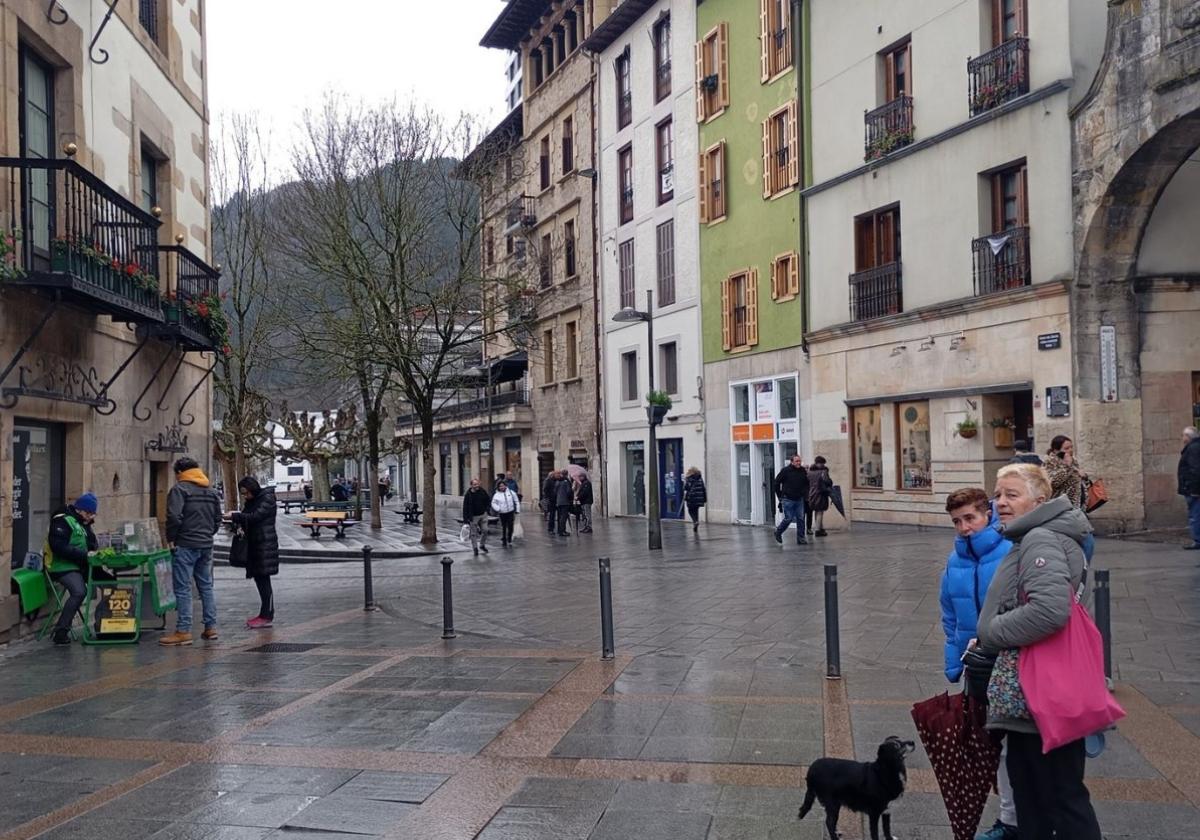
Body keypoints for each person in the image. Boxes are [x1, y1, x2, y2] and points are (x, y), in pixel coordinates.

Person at [976, 463, 1101, 839]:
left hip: (1039, 694)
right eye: (997, 495)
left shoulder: (1040, 539)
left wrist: (991, 633)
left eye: (1012, 495)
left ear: (1040, 500)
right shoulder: (1038, 535)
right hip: (1045, 691)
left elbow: (1050, 611)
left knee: (1049, 797)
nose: (1000, 503)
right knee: (1053, 793)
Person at [937, 488, 1016, 840]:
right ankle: (1009, 820)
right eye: (957, 521)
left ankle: (1021, 818)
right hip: (977, 668)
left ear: (988, 515)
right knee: (990, 746)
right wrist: (954, 660)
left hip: (1011, 663)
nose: (964, 527)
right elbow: (950, 613)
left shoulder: (1009, 552)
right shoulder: (955, 561)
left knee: (1015, 745)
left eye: (970, 518)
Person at [161, 457, 223, 646]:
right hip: (206, 544)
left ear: (179, 472)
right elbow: (217, 518)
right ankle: (210, 627)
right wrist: (207, 534)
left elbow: (174, 516)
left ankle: (183, 630)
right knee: (206, 586)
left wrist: (172, 538)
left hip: (186, 544)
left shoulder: (180, 490)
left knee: (183, 588)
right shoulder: (211, 491)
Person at [43, 493, 104, 645]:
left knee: (109, 583)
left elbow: (90, 543)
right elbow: (58, 547)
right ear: (80, 510)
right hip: (61, 566)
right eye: (89, 513)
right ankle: (61, 631)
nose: (91, 516)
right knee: (79, 591)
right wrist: (84, 554)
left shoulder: (83, 523)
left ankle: (103, 624)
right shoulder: (61, 520)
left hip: (81, 564)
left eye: (92, 514)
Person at [229, 477, 280, 629]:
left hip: (264, 544)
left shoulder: (267, 499)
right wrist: (235, 520)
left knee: (264, 580)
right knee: (260, 579)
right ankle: (264, 613)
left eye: (246, 492)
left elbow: (255, 517)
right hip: (255, 544)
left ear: (253, 489)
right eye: (243, 494)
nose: (245, 496)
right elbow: (246, 517)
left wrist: (235, 515)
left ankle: (267, 614)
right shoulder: (253, 501)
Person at [773, 454, 810, 546]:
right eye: (797, 461)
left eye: (799, 461)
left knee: (801, 518)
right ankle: (778, 532)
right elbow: (777, 482)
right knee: (788, 518)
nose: (798, 463)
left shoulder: (802, 471)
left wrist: (805, 493)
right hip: (788, 498)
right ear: (792, 462)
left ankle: (801, 538)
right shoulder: (785, 471)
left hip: (799, 498)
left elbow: (806, 483)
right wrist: (780, 496)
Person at [1044, 435, 1087, 509]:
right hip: (1062, 505)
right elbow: (1053, 483)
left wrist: (1084, 476)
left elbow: (1077, 477)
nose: (1070, 450)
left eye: (1071, 447)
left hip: (1077, 503)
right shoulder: (1050, 461)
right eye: (1066, 448)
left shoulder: (1073, 460)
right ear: (1056, 450)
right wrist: (1067, 466)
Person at [1178, 427, 1200, 551]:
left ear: (1189, 437)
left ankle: (1197, 540)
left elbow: (1195, 470)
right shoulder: (1195, 447)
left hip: (1193, 490)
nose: (1182, 438)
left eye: (1183, 435)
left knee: (1195, 515)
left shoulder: (1193, 449)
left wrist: (1195, 490)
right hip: (1192, 488)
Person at [462, 477, 492, 556]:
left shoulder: (482, 491)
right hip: (473, 517)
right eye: (475, 484)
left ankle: (482, 545)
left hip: (483, 515)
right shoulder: (468, 495)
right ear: (471, 485)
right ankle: (475, 548)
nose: (477, 486)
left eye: (477, 484)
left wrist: (487, 509)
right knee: (473, 534)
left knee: (485, 530)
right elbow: (465, 507)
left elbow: (488, 500)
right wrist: (465, 519)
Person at [805, 456, 834, 537]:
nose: (823, 465)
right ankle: (818, 530)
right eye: (822, 463)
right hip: (821, 493)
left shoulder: (809, 472)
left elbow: (807, 482)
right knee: (820, 511)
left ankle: (820, 527)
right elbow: (827, 481)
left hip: (811, 494)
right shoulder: (823, 472)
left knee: (816, 510)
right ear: (819, 463)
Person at [491, 478, 520, 547]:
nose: (502, 487)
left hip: (510, 512)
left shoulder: (511, 492)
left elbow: (516, 501)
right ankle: (504, 539)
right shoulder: (496, 495)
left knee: (510, 526)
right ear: (498, 487)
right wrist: (498, 509)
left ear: (505, 486)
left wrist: (517, 510)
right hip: (502, 513)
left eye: (503, 486)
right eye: (500, 486)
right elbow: (493, 503)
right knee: (504, 527)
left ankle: (509, 539)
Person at [683, 467, 707, 532]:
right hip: (699, 498)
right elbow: (703, 488)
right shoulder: (700, 478)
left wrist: (685, 481)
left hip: (691, 498)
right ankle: (696, 522)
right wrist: (704, 499)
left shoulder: (689, 478)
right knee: (696, 510)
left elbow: (686, 488)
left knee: (690, 510)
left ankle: (695, 521)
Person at [554, 470, 574, 536]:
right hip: (565, 502)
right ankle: (562, 531)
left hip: (558, 502)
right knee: (564, 517)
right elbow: (568, 492)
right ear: (567, 474)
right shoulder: (566, 482)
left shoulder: (557, 482)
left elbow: (555, 492)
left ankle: (560, 530)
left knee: (560, 517)